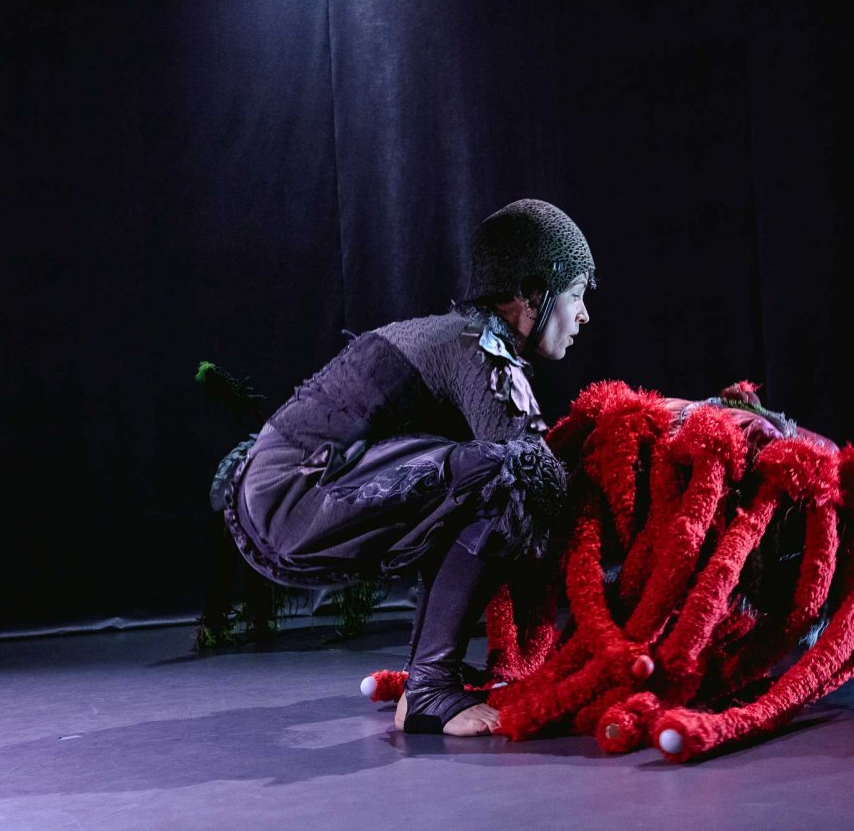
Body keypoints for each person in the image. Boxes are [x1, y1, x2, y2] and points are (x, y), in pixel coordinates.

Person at [220, 199, 593, 736]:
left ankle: (429, 678)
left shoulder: (464, 335)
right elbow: (536, 470)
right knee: (513, 475)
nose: (583, 315)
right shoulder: (477, 344)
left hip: (280, 497)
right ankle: (430, 689)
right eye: (575, 295)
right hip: (292, 498)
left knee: (487, 477)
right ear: (531, 293)